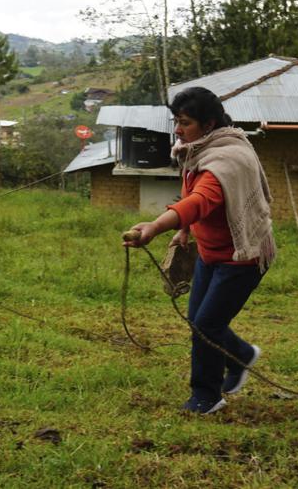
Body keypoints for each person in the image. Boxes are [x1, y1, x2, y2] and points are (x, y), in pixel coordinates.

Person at [123, 86, 276, 414]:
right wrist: (183, 230)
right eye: (176, 121)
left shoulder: (227, 159)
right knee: (200, 319)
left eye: (185, 122)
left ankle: (207, 396)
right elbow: (189, 197)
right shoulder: (196, 151)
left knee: (207, 325)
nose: (178, 129)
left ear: (208, 124)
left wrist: (154, 226)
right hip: (209, 252)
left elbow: (200, 200)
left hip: (241, 258)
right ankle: (243, 356)